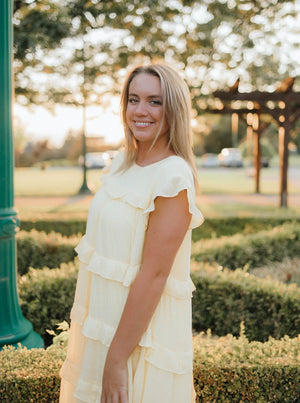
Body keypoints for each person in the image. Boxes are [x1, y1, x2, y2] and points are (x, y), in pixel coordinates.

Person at [59, 63, 204, 403]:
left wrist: (116, 359)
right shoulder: (123, 163)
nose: (141, 111)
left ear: (174, 109)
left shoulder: (173, 177)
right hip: (101, 327)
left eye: (155, 101)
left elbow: (154, 275)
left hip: (139, 341)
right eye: (133, 99)